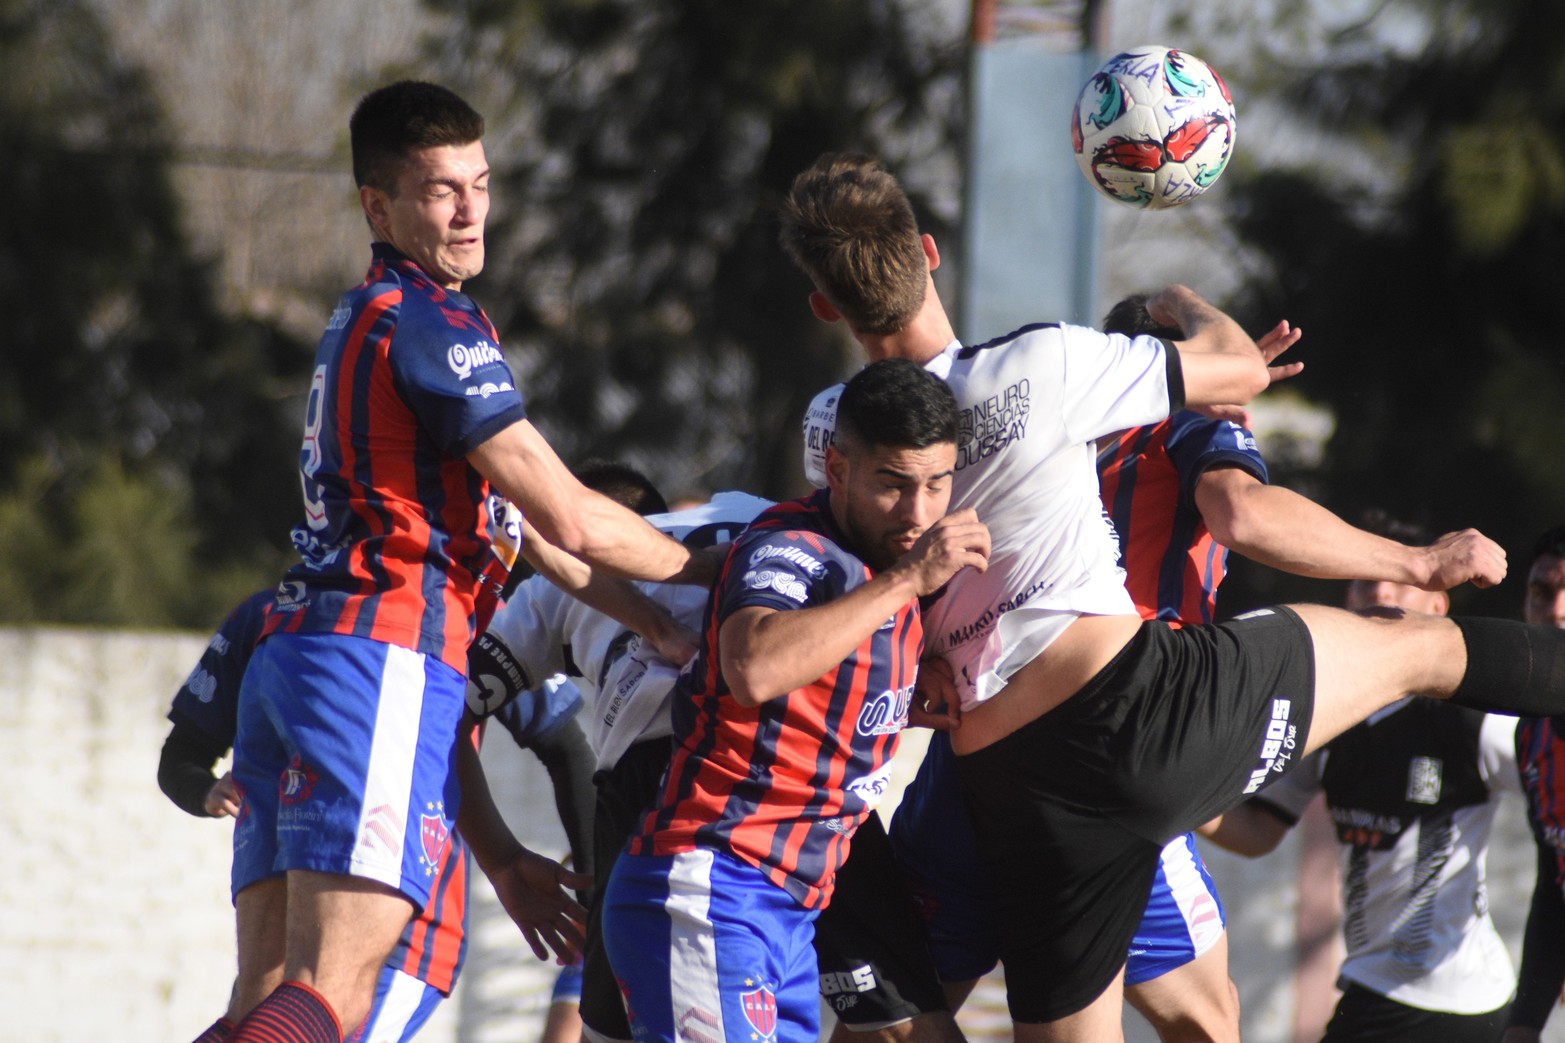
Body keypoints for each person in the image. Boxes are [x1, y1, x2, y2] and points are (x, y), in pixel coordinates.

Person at [777, 151, 1565, 1042]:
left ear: (823, 306)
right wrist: (1182, 310)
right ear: (927, 250)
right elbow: (1236, 463)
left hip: (1008, 781)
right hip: (1146, 709)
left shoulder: (837, 446)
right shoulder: (1046, 365)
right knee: (1420, 653)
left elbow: (843, 590)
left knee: (962, 1019)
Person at [224, 81, 713, 1043]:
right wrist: (710, 568)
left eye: (480, 183)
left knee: (266, 998)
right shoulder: (428, 325)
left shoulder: (365, 314)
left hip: (299, 660)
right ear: (379, 206)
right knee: (333, 992)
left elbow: (524, 538)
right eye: (439, 188)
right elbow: (570, 513)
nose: (469, 210)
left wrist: (652, 622)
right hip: (381, 656)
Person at [481, 460, 962, 1043]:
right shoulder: (762, 516)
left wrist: (502, 859)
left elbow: (448, 712)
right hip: (811, 789)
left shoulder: (552, 585)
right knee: (905, 1026)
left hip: (666, 800)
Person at [598, 360, 990, 1043]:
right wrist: (906, 579)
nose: (918, 512)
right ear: (836, 469)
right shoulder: (796, 546)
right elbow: (750, 664)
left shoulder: (883, 576)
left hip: (785, 911)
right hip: (710, 886)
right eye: (891, 484)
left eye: (936, 484)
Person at [162, 589, 598, 1043]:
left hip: (403, 926)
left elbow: (566, 748)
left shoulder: (475, 613)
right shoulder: (272, 613)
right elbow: (182, 755)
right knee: (261, 1017)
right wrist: (204, 790)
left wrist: (592, 898)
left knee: (302, 1005)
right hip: (295, 920)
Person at [1199, 513, 1518, 1043]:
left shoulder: (1473, 721)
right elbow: (1258, 831)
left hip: (1461, 1000)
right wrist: (1171, 800)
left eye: (1403, 577)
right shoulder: (1327, 715)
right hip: (1375, 986)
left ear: (1439, 607)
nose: (1377, 587)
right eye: (1365, 575)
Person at [1501, 525, 1565, 1043]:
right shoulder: (1531, 731)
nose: (1557, 610)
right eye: (1542, 592)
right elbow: (1553, 888)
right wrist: (1524, 1026)